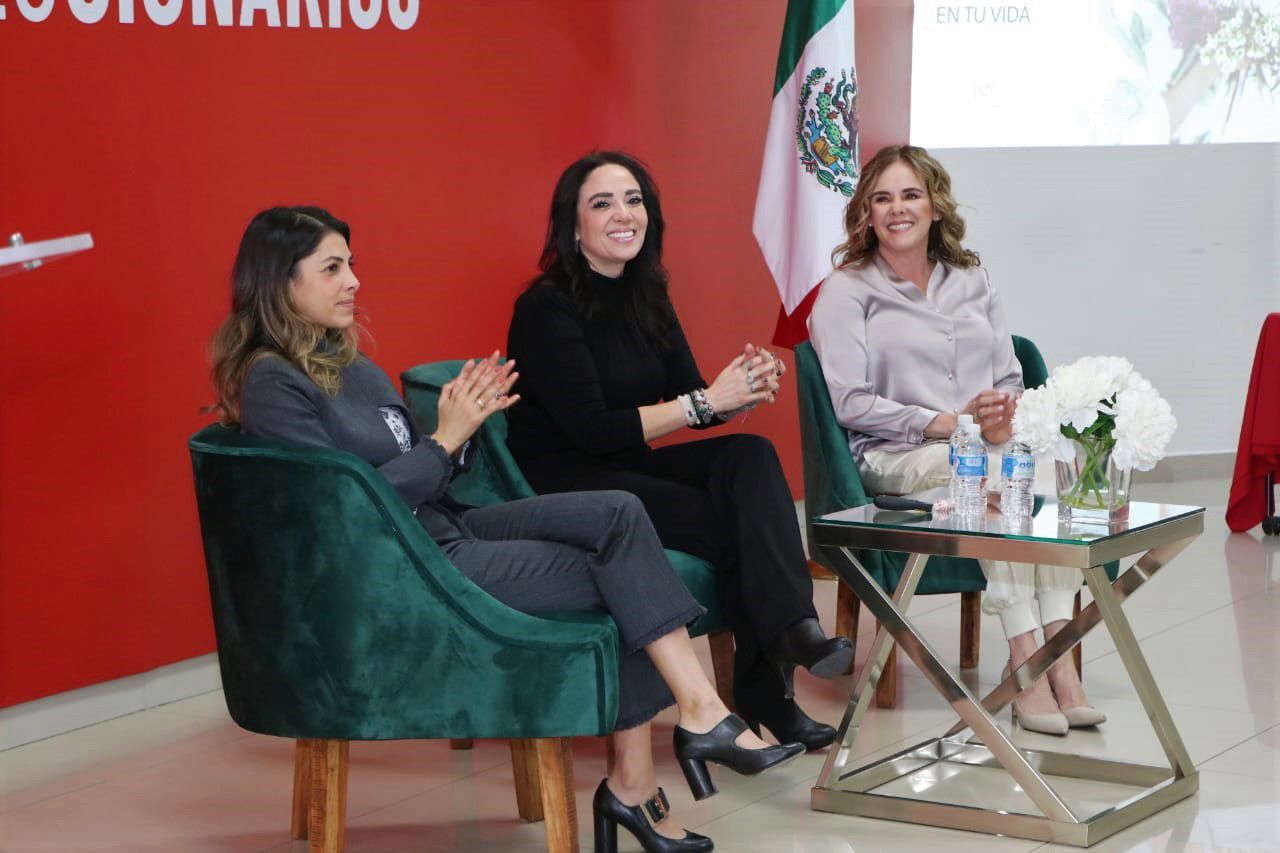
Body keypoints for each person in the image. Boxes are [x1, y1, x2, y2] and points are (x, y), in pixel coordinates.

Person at [208, 206, 805, 853]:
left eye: (351, 264)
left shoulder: (353, 366)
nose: (353, 280)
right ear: (281, 282)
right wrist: (444, 438)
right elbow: (343, 510)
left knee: (617, 512)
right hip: (405, 568)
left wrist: (460, 433)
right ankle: (645, 777)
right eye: (332, 268)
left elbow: (418, 471)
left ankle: (695, 718)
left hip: (443, 528)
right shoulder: (272, 382)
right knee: (622, 580)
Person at [505, 152, 854, 753]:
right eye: (603, 203)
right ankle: (771, 685)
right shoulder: (545, 308)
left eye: (634, 200)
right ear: (573, 226)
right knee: (734, 525)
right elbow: (593, 431)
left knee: (748, 455)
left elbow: (693, 398)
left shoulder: (648, 293)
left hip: (630, 467)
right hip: (568, 483)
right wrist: (705, 401)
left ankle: (796, 630)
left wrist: (739, 391)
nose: (624, 214)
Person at [808, 145, 1105, 735]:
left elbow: (1009, 377)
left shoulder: (973, 279)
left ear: (936, 205)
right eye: (882, 198)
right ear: (866, 213)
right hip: (897, 456)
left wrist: (1000, 419)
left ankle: (1059, 652)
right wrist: (950, 423)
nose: (897, 208)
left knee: (1044, 472)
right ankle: (1028, 664)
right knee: (990, 477)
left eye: (910, 195)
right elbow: (850, 403)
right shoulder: (846, 290)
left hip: (982, 447)